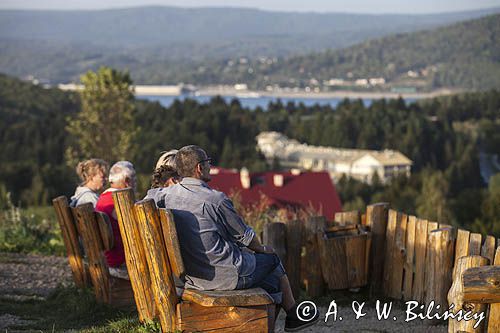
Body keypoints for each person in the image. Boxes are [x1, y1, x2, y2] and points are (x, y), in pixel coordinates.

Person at [145, 145, 319, 332]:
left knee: (272, 280)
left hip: (193, 277)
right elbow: (245, 237)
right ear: (199, 168)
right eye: (208, 162)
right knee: (273, 260)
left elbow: (147, 197)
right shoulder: (215, 199)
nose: (210, 166)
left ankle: (285, 318)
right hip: (226, 275)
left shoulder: (162, 196)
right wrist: (262, 249)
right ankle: (292, 315)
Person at [96, 161, 136, 280]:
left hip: (108, 258)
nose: (135, 184)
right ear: (127, 181)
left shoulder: (103, 199)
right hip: (121, 262)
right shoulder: (119, 202)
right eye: (135, 180)